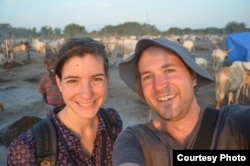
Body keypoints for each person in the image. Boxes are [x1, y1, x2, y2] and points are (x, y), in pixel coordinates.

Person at [112, 37, 250, 166]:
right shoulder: (135, 140)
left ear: (193, 77)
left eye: (169, 70)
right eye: (147, 77)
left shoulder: (235, 123)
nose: (159, 86)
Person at [7, 37, 123, 165]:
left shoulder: (112, 121)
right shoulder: (27, 149)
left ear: (107, 79)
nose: (86, 94)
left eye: (96, 79)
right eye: (73, 81)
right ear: (59, 83)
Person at [39, 48, 65, 117]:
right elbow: (44, 95)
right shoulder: (43, 81)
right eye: (48, 64)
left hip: (65, 109)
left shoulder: (64, 79)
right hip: (50, 110)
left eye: (53, 63)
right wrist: (48, 104)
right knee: (51, 126)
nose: (51, 66)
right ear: (45, 66)